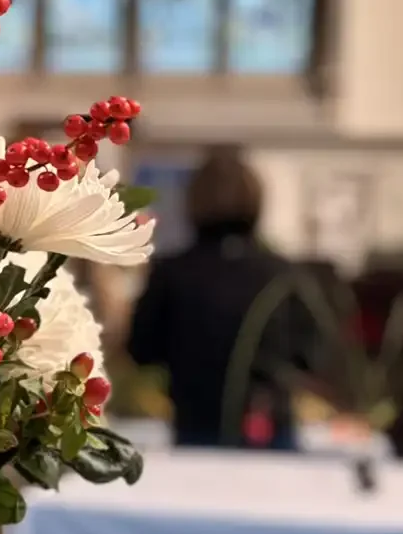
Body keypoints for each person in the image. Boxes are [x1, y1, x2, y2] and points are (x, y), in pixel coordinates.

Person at [127, 147, 303, 448]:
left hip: (196, 423)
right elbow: (309, 354)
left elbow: (141, 350)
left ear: (193, 202)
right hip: (269, 426)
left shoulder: (172, 272)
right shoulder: (284, 274)